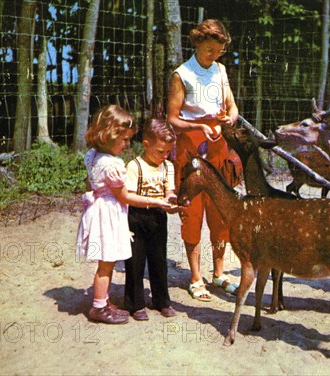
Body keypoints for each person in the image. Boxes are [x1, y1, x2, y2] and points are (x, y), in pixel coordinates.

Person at [76, 104, 178, 324]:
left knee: (140, 260)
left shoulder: (92, 156)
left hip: (105, 211)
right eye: (124, 140)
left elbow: (91, 183)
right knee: (115, 261)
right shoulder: (117, 165)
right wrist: (156, 201)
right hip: (115, 215)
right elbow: (125, 197)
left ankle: (107, 301)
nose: (127, 144)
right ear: (110, 136)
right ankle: (105, 306)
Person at [167, 19, 240, 301]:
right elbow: (172, 118)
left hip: (219, 145)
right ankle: (196, 276)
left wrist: (228, 119)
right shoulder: (182, 74)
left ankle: (219, 274)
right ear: (197, 43)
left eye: (218, 51)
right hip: (192, 148)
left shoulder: (220, 71)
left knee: (221, 210)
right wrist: (198, 127)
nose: (214, 55)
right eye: (209, 49)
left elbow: (232, 107)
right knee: (193, 210)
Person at [124, 118, 180, 320]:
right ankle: (135, 303)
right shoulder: (134, 166)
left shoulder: (168, 166)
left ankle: (161, 300)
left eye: (168, 152)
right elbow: (128, 196)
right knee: (135, 261)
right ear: (146, 144)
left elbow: (169, 191)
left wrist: (173, 201)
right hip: (136, 217)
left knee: (159, 260)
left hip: (158, 217)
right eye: (160, 151)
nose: (164, 156)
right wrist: (155, 202)